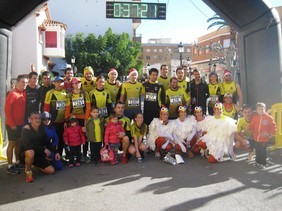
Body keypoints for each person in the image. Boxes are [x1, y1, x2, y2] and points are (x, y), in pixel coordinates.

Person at [21, 112, 60, 183]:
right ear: (30, 120)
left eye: (39, 118)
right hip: (26, 154)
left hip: (39, 154)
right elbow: (27, 146)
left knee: (51, 170)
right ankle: (28, 171)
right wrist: (43, 150)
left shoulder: (42, 129)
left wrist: (56, 152)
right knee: (30, 152)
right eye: (35, 118)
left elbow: (47, 143)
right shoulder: (26, 129)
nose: (37, 120)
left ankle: (33, 164)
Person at [5, 74, 28, 175]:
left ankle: (17, 161)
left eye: (26, 82)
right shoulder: (12, 94)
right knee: (11, 144)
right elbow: (7, 110)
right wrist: (11, 124)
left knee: (18, 143)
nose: (25, 84)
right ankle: (9, 165)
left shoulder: (23, 93)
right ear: (17, 82)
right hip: (12, 124)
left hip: (21, 124)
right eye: (23, 82)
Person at [65, 77, 91, 162]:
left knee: (85, 136)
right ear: (72, 84)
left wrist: (86, 120)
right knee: (74, 136)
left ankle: (85, 153)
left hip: (83, 118)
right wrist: (67, 120)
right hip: (73, 118)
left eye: (79, 82)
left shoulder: (84, 93)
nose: (77, 84)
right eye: (75, 83)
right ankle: (74, 154)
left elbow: (88, 107)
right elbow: (68, 108)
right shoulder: (69, 95)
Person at [44, 76, 68, 157]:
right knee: (53, 140)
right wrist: (46, 120)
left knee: (61, 140)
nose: (59, 84)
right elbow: (46, 107)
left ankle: (60, 156)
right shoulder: (50, 93)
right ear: (54, 83)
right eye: (57, 82)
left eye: (61, 82)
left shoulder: (66, 93)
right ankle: (51, 156)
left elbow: (68, 107)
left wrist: (66, 119)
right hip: (53, 121)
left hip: (63, 121)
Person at [248, 102, 277, 167]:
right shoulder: (255, 117)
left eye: (262, 109)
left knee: (263, 151)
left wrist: (270, 134)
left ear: (265, 109)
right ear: (256, 110)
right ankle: (258, 162)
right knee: (257, 151)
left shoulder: (269, 117)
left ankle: (263, 163)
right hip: (256, 138)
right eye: (259, 109)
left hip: (264, 139)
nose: (261, 110)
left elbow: (273, 126)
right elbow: (252, 124)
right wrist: (249, 127)